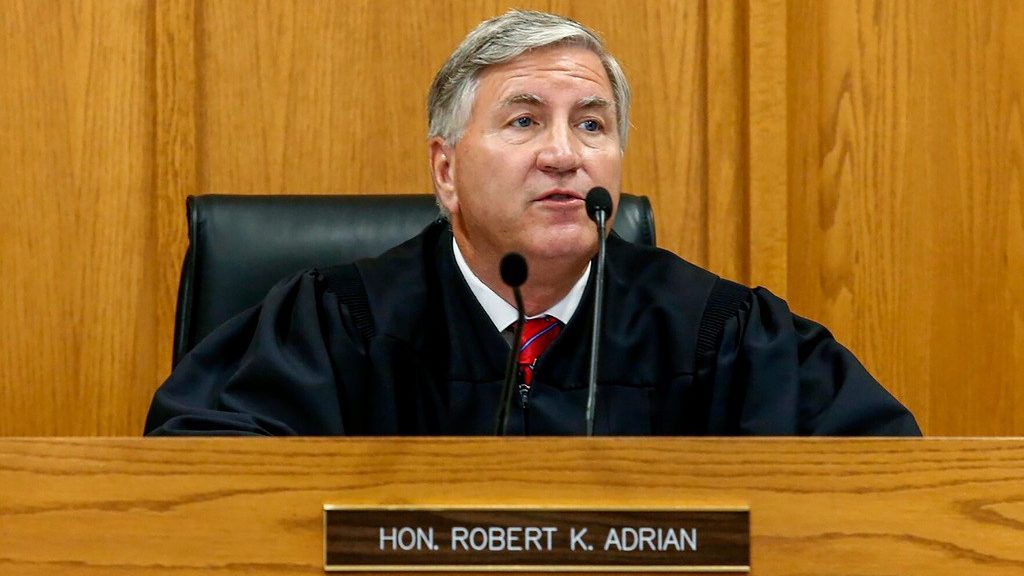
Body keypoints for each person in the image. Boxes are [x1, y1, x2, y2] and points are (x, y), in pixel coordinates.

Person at [145, 10, 920, 436]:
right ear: (445, 171)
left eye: (592, 125)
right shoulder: (332, 328)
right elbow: (199, 485)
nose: (563, 155)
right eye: (523, 121)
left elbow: (874, 482)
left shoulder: (722, 336)